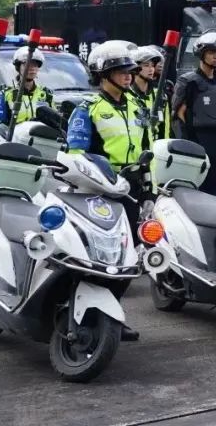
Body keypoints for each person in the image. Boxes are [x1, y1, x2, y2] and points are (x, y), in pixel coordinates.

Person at [65, 41, 145, 342]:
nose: (128, 75)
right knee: (94, 254)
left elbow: (146, 147)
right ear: (102, 73)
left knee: (128, 256)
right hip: (97, 190)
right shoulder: (87, 109)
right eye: (120, 70)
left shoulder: (137, 105)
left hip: (132, 187)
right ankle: (83, 313)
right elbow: (75, 154)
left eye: (129, 70)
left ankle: (112, 312)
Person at [171, 33, 216, 198]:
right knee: (197, 187)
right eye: (211, 52)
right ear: (201, 54)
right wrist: (187, 144)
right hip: (197, 140)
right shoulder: (188, 81)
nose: (215, 56)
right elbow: (178, 114)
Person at [0, 48, 52, 125]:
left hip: (40, 136)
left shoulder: (46, 94)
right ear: (18, 67)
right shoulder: (6, 93)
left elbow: (55, 123)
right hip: (14, 136)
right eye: (27, 64)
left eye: (35, 64)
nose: (32, 68)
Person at [129, 45, 168, 140]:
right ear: (135, 68)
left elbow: (164, 127)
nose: (151, 69)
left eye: (152, 66)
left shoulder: (160, 95)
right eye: (146, 65)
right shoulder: (127, 94)